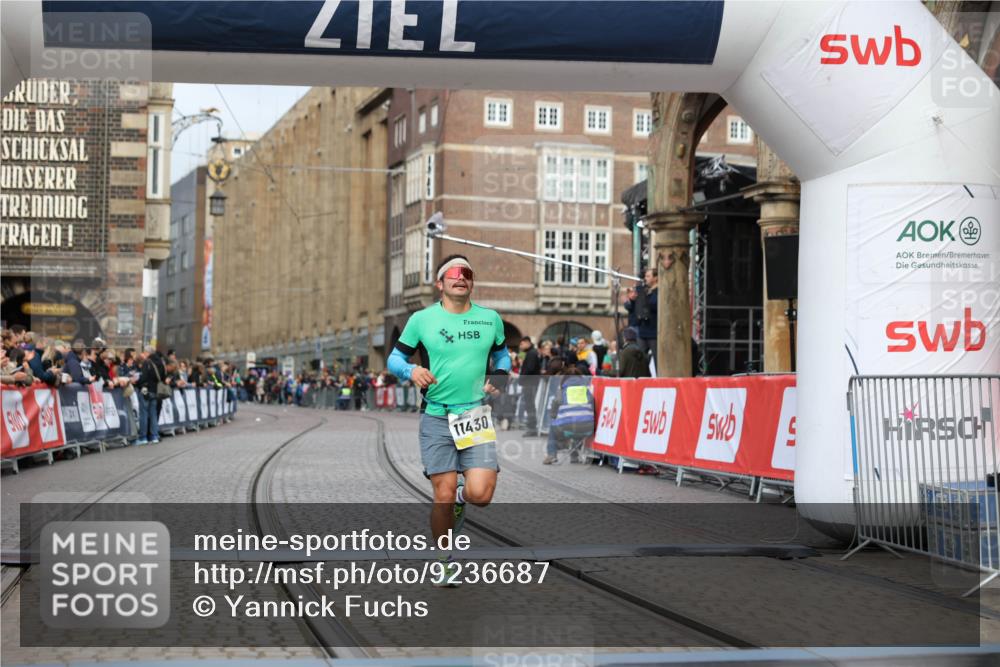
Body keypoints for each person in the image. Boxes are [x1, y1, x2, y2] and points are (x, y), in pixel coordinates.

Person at [386, 254, 511, 587]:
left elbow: (502, 354)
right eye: (452, 274)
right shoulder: (421, 320)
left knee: (480, 495)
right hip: (437, 416)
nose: (461, 277)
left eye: (467, 273)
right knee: (441, 494)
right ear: (440, 284)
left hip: (473, 415)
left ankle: (461, 500)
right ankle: (445, 561)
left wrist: (500, 374)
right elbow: (395, 358)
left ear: (472, 282)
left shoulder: (490, 319)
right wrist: (411, 370)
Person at [543, 365, 595, 465]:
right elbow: (592, 405)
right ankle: (574, 456)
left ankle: (552, 454)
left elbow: (555, 407)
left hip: (568, 427)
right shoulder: (586, 390)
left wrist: (554, 416)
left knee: (553, 427)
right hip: (587, 428)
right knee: (578, 426)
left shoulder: (562, 391)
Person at [624, 268, 658, 364]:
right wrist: (632, 299)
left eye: (648, 276)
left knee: (657, 360)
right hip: (642, 331)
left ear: (656, 278)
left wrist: (646, 295)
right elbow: (629, 307)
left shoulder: (658, 291)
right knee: (639, 360)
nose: (645, 278)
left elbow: (654, 304)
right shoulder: (643, 290)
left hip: (654, 332)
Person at [136, 346, 165, 445]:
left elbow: (144, 378)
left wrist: (137, 382)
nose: (143, 354)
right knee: (153, 414)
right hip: (156, 391)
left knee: (144, 414)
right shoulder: (160, 362)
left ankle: (143, 437)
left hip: (146, 390)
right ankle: (154, 436)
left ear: (147, 353)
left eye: (144, 352)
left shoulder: (147, 362)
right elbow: (163, 377)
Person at [517, 336, 542, 437]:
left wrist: (521, 378)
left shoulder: (532, 353)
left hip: (530, 383)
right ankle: (531, 428)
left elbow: (530, 369)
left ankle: (532, 429)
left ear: (527, 342)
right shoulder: (531, 353)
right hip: (529, 383)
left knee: (530, 406)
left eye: (521, 344)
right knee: (529, 406)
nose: (520, 346)